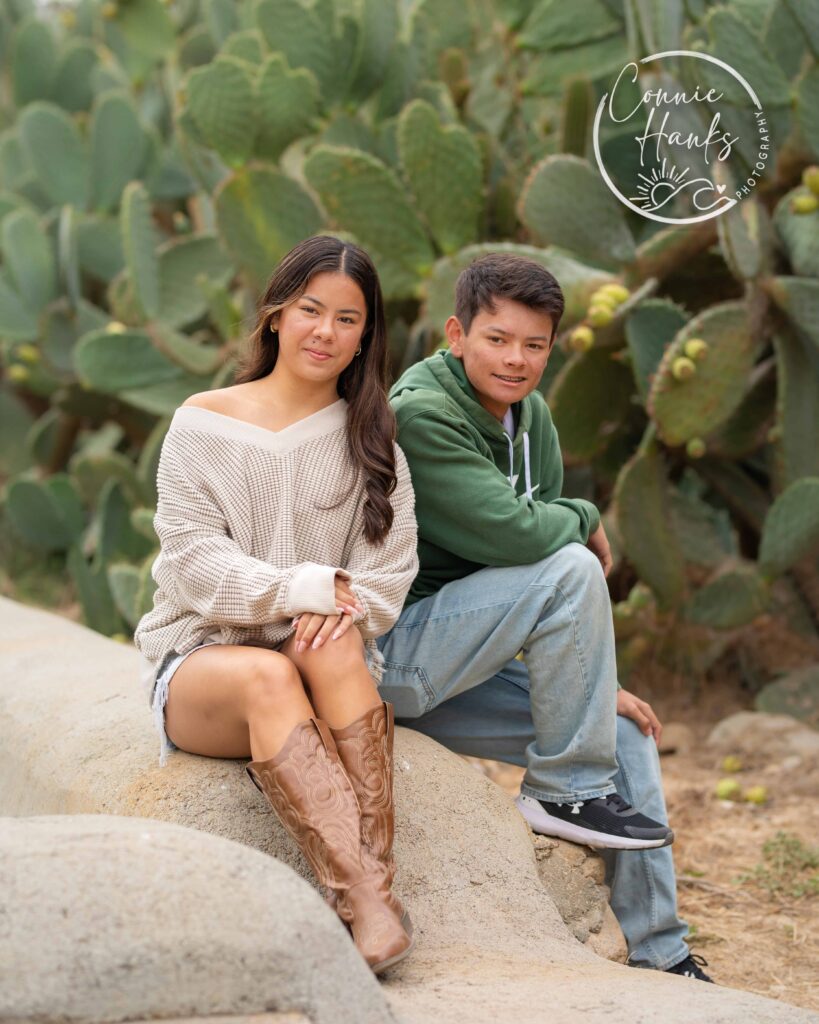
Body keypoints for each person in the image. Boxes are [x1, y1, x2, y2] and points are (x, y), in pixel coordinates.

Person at [375, 252, 713, 982]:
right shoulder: (421, 414)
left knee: (621, 730)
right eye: (497, 339)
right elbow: (525, 539)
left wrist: (590, 689)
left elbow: (528, 586)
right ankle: (563, 793)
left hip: (467, 664)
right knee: (571, 562)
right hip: (393, 659)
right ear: (456, 332)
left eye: (534, 344)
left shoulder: (532, 417)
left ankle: (661, 953)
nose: (516, 359)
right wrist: (585, 513)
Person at [134, 235, 419, 974]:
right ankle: (364, 894)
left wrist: (342, 608)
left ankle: (370, 896)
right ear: (274, 316)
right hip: (203, 663)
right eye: (309, 310)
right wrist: (298, 589)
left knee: (328, 647)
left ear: (365, 338)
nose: (325, 332)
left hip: (321, 660)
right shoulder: (202, 423)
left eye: (347, 320)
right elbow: (194, 563)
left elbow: (387, 570)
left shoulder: (371, 436)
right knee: (270, 676)